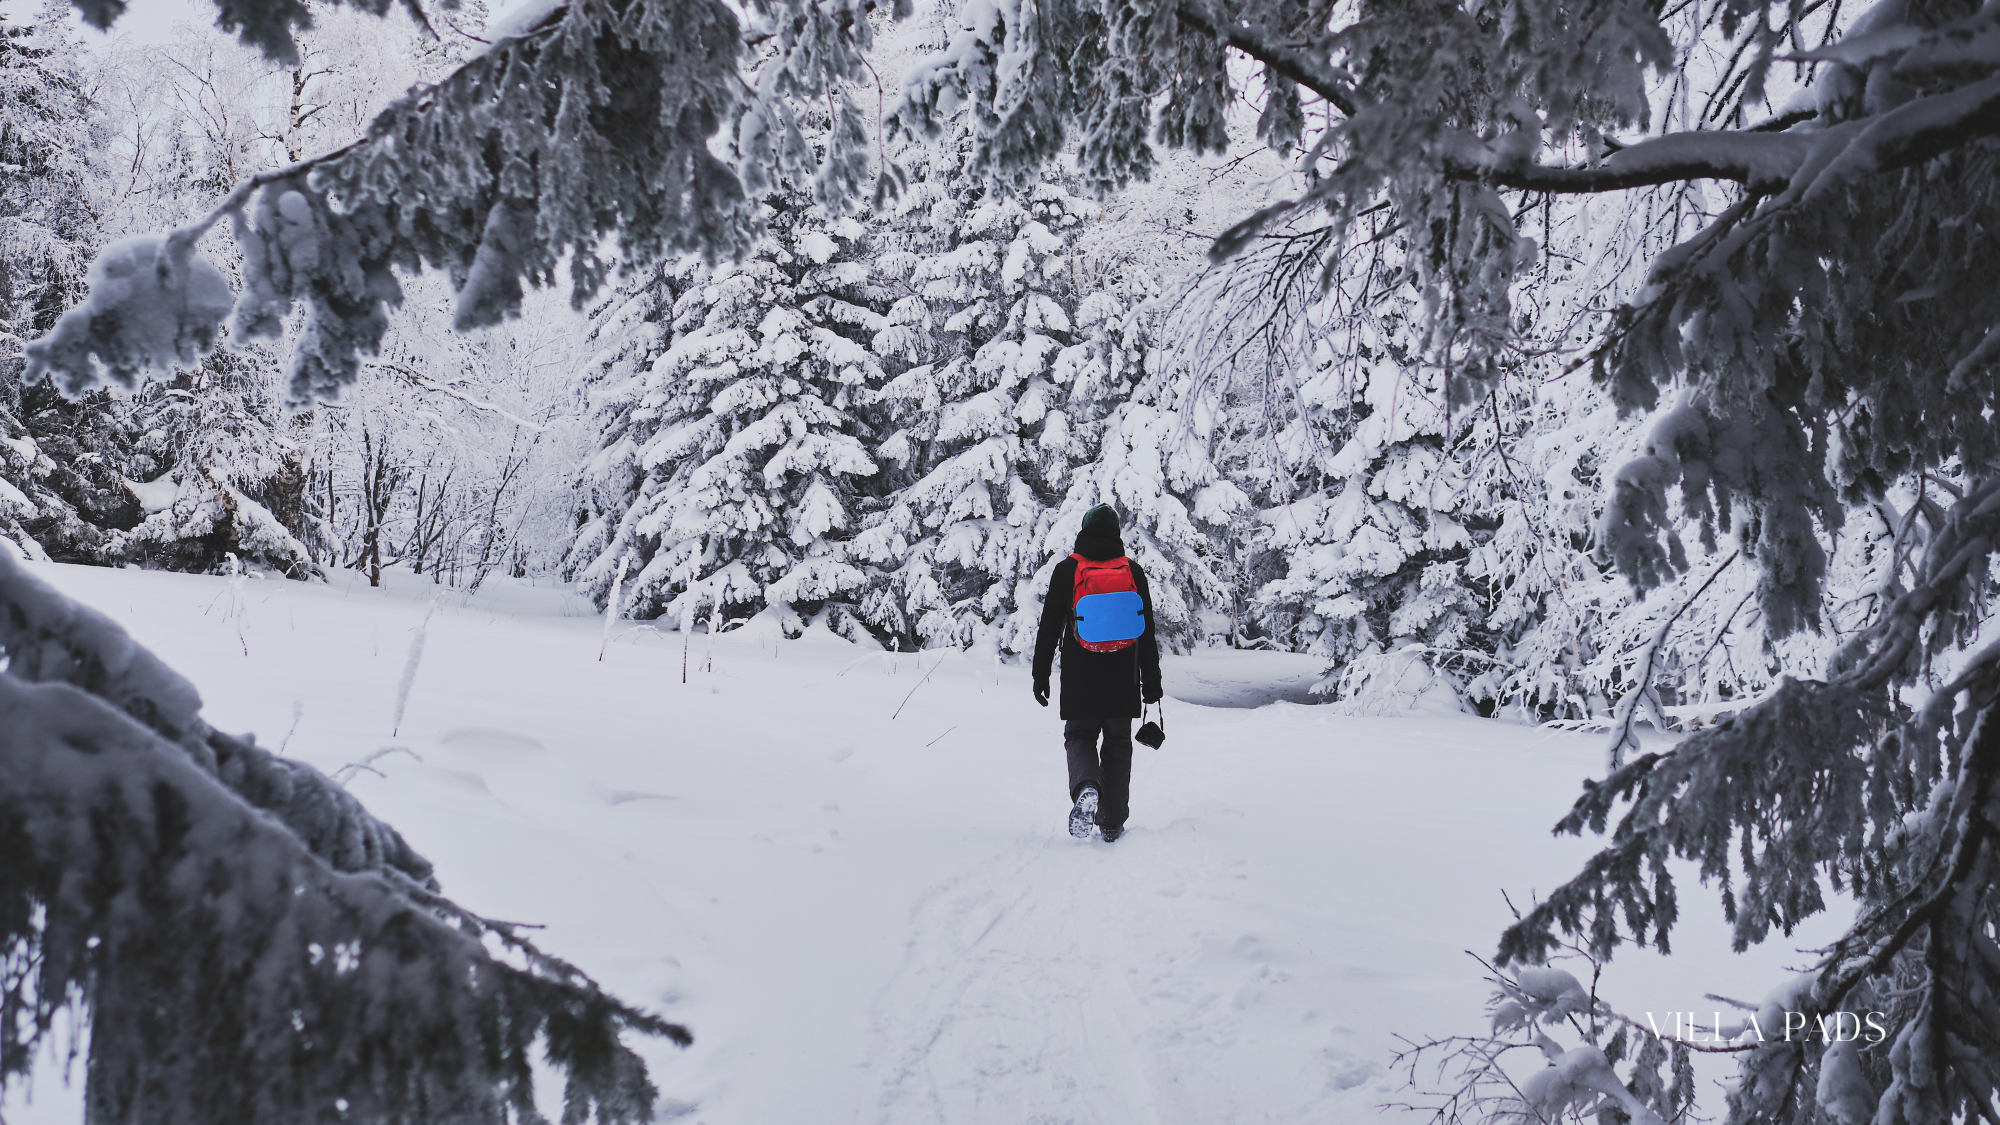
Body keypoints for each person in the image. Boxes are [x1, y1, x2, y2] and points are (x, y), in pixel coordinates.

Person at [1031, 504, 1163, 842]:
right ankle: (1112, 821)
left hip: (1080, 676)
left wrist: (1040, 675)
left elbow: (1049, 627)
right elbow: (1146, 633)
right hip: (1123, 676)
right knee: (1118, 743)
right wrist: (1152, 684)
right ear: (1116, 533)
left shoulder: (1067, 570)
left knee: (1080, 737)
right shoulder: (1133, 571)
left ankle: (1087, 785)